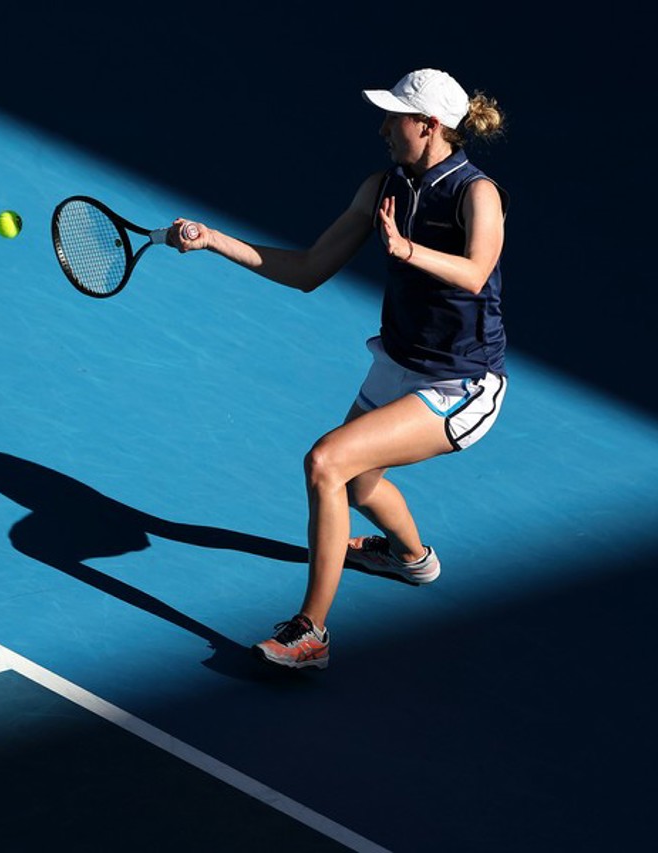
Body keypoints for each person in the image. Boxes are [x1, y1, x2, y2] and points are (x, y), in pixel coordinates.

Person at [168, 68, 509, 670]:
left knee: (327, 461)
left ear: (427, 126)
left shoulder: (476, 193)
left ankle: (310, 634)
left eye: (393, 117)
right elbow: (307, 269)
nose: (382, 128)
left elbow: (476, 271)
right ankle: (411, 560)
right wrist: (212, 240)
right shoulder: (383, 186)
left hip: (461, 382)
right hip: (399, 362)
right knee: (357, 484)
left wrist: (405, 251)